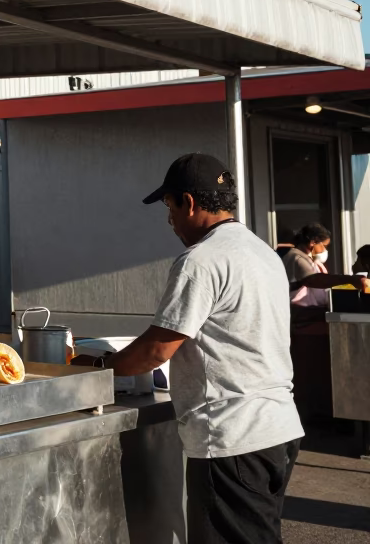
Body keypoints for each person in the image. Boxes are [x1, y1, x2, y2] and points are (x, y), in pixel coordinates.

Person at [81, 153, 303, 543]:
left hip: (233, 437)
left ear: (190, 202)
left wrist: (97, 366)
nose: (170, 221)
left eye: (169, 208)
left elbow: (156, 350)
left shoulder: (201, 260)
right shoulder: (263, 253)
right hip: (278, 429)